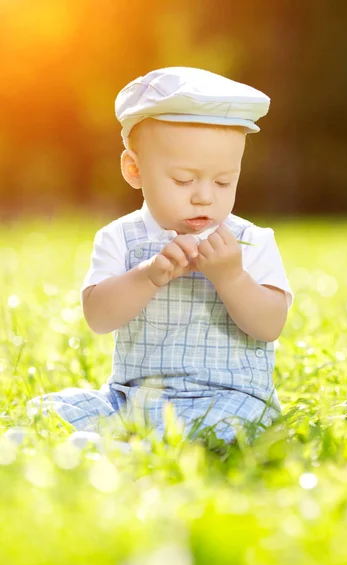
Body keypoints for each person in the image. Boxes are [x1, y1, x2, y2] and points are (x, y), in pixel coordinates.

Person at [27, 66, 294, 445]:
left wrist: (232, 278)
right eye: (184, 180)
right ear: (134, 170)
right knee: (45, 412)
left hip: (227, 399)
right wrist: (146, 275)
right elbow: (99, 318)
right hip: (135, 398)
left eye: (223, 181)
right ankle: (75, 442)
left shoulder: (249, 241)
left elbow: (270, 326)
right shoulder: (120, 237)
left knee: (227, 429)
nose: (204, 195)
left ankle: (132, 452)